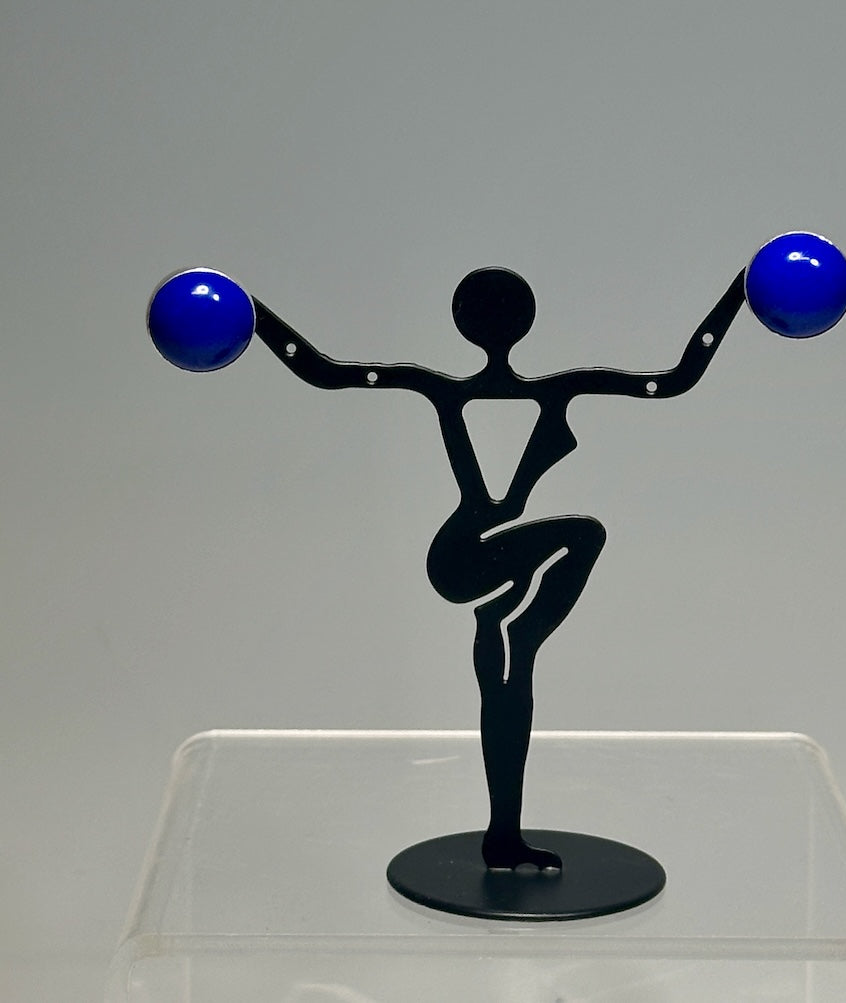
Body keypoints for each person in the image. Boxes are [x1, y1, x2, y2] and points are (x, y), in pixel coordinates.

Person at [252, 265, 746, 869]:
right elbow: (672, 378)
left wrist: (740, 294)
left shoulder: (471, 389)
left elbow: (320, 369)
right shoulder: (504, 390)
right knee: (581, 539)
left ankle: (503, 830)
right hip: (461, 557)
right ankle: (520, 633)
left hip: (484, 556)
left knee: (517, 664)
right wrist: (250, 315)